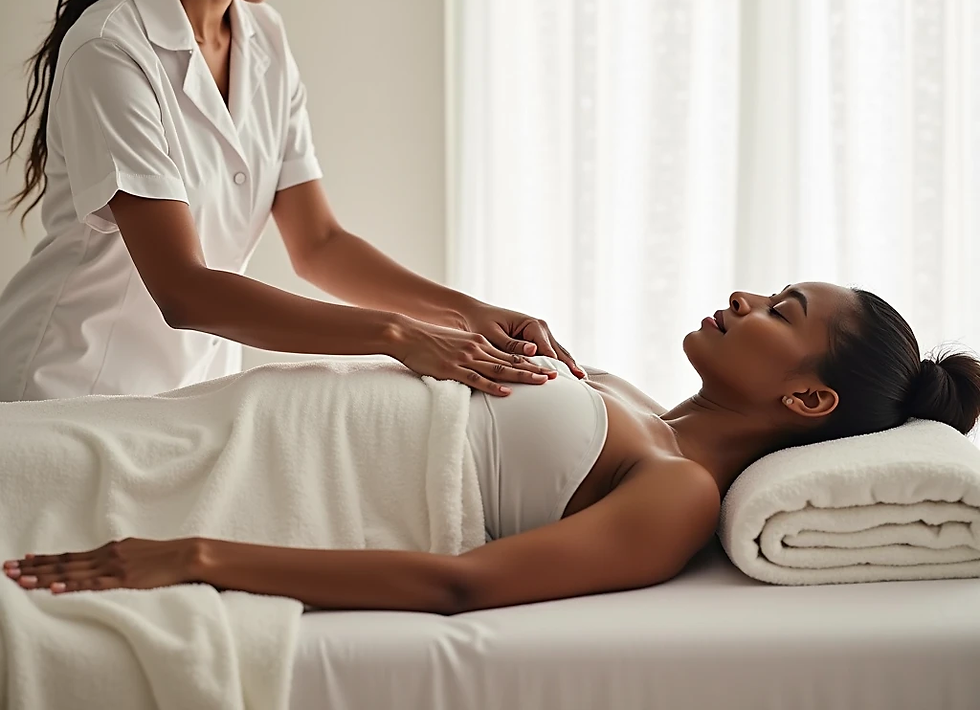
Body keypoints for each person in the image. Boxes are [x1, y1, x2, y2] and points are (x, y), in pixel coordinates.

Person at [0, 0, 581, 403]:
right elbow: (184, 290)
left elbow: (319, 244)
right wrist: (398, 334)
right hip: (63, 394)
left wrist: (469, 313)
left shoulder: (264, 40)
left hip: (184, 400)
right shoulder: (112, 48)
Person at [6, 282, 980, 613]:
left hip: (257, 479)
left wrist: (191, 557)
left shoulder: (678, 490)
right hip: (239, 418)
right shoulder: (631, 398)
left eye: (780, 310)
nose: (743, 298)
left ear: (806, 394)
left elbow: (460, 583)